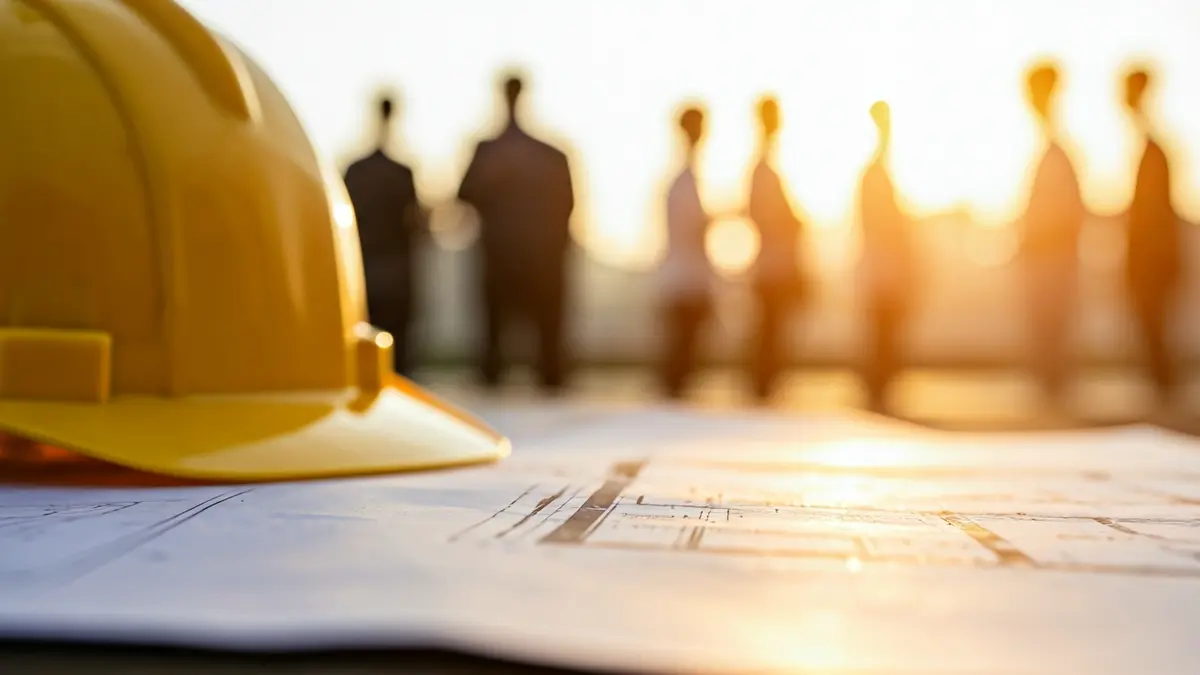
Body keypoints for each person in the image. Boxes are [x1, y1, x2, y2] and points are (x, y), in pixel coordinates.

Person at [457, 73, 576, 394]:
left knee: (538, 348)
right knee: (499, 347)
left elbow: (566, 206)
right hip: (516, 260)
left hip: (527, 260)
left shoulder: (501, 153)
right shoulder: (542, 155)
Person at [1016, 62, 1086, 406]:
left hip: (1053, 261)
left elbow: (1068, 216)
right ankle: (1053, 397)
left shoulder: (1058, 154)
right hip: (1046, 260)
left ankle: (1057, 400)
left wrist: (1036, 240)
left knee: (1052, 335)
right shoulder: (1050, 151)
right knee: (1046, 337)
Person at [343, 93, 424, 377]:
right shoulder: (400, 173)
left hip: (367, 268)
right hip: (389, 268)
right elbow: (416, 223)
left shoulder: (357, 171)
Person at [1121, 66, 1184, 409]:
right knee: (1151, 332)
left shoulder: (1154, 150)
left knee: (1155, 331)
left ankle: (1167, 400)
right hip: (1150, 259)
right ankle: (1164, 396)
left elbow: (1155, 215)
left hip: (1154, 261)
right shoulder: (1150, 147)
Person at [744, 95, 807, 402]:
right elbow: (765, 218)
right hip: (771, 270)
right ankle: (761, 393)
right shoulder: (761, 170)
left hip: (777, 268)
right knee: (768, 338)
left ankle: (765, 391)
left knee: (774, 338)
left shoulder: (769, 169)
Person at [856, 100, 916, 413]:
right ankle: (876, 397)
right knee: (882, 338)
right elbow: (884, 227)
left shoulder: (879, 173)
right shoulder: (875, 175)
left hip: (886, 273)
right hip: (882, 275)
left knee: (885, 338)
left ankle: (879, 395)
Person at [658, 105, 715, 399]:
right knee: (681, 359)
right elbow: (692, 228)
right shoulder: (683, 182)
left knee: (686, 358)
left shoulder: (687, 178)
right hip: (685, 282)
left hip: (688, 279)